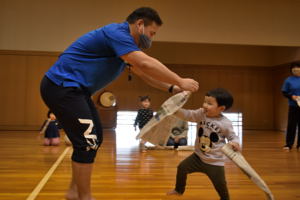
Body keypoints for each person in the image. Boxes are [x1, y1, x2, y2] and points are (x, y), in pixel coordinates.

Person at [40, 7, 199, 200]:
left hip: (77, 91)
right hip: (61, 86)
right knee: (87, 142)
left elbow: (143, 73)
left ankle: (74, 192)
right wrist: (180, 80)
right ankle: (84, 197)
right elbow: (145, 64)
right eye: (152, 33)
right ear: (139, 24)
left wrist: (171, 89)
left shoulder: (124, 47)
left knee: (95, 138)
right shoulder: (117, 33)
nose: (152, 38)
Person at [167, 88, 240, 200]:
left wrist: (235, 142)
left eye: (209, 103)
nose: (205, 105)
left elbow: (232, 136)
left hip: (215, 162)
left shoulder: (225, 123)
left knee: (221, 186)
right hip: (198, 157)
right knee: (182, 167)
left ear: (221, 108)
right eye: (205, 101)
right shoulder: (201, 114)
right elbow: (188, 114)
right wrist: (175, 110)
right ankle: (179, 190)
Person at [281, 62, 300, 152]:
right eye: (293, 68)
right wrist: (292, 96)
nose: (295, 69)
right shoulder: (288, 80)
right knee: (291, 125)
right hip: (293, 106)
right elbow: (284, 92)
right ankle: (289, 144)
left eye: (297, 67)